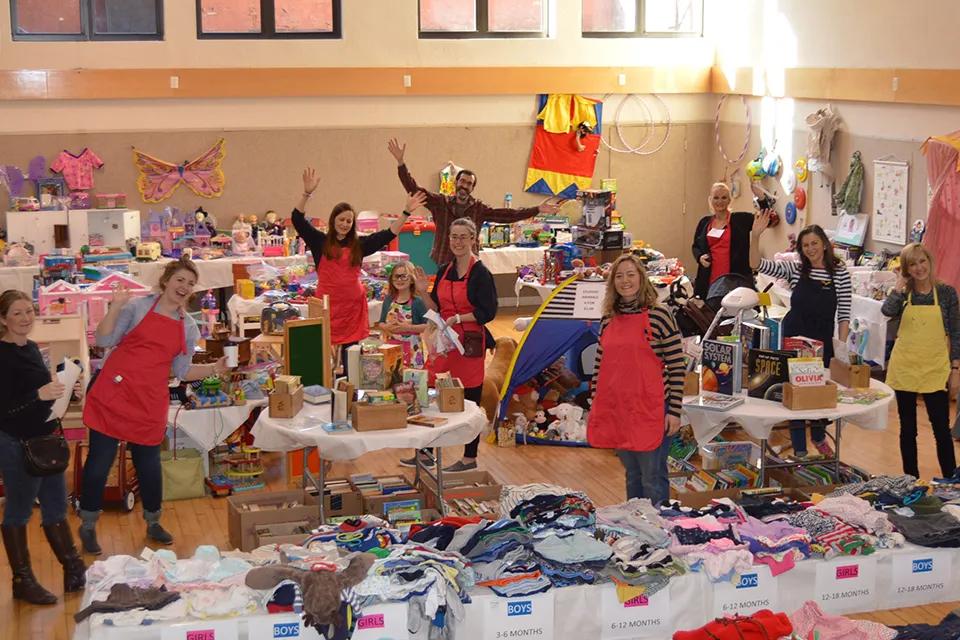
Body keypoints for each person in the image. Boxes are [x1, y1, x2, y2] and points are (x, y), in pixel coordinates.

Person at [79, 257, 233, 554]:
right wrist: (115, 308)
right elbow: (103, 339)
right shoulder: (137, 308)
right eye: (180, 280)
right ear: (166, 281)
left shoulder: (188, 327)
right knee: (99, 464)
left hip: (148, 400)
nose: (184, 287)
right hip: (115, 392)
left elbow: (182, 371)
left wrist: (216, 368)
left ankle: (153, 522)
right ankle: (87, 524)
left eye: (190, 284)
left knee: (149, 467)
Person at [292, 168, 426, 375]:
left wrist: (406, 213)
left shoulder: (359, 245)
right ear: (333, 219)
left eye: (349, 221)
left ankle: (349, 389)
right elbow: (297, 220)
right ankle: (324, 389)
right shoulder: (319, 241)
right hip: (326, 306)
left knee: (351, 355)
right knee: (323, 354)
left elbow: (388, 233)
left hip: (351, 307)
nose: (345, 224)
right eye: (342, 219)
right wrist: (306, 193)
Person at [0, 290, 86, 604]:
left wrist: (68, 392)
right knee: (18, 512)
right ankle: (23, 580)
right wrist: (39, 395)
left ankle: (74, 569)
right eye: (17, 313)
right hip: (15, 444)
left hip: (46, 439)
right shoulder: (3, 355)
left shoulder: (33, 348)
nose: (25, 319)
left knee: (56, 509)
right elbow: (5, 410)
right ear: (3, 319)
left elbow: (44, 393)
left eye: (29, 312)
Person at [587, 254, 685, 504]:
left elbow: (676, 366)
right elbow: (599, 366)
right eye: (619, 276)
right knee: (632, 475)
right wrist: (596, 404)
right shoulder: (608, 319)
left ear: (641, 278)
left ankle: (659, 531)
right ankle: (637, 528)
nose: (625, 281)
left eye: (631, 274)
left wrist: (674, 411)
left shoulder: (660, 316)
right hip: (620, 409)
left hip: (652, 410)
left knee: (653, 477)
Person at [751, 214, 851, 458]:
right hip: (795, 336)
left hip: (822, 339)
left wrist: (841, 348)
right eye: (805, 245)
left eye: (814, 243)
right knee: (795, 391)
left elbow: (845, 313)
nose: (810, 249)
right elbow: (756, 265)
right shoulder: (795, 269)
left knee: (817, 391)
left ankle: (818, 437)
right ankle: (799, 449)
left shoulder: (839, 273)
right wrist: (755, 236)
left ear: (824, 244)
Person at [387, 138, 561, 265]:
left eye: (469, 184)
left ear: (472, 188)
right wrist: (401, 163)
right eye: (462, 182)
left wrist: (537, 208)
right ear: (456, 183)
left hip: (469, 262)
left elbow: (509, 215)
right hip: (443, 259)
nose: (465, 186)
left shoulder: (479, 209)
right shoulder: (440, 203)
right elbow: (413, 189)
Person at [413, 218, 498, 472]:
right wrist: (422, 292)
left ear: (473, 239)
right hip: (445, 344)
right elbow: (436, 308)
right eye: (453, 237)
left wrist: (459, 318)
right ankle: (426, 452)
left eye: (463, 237)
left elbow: (488, 311)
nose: (458, 242)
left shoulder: (481, 274)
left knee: (470, 399)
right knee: (430, 392)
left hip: (469, 345)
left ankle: (469, 458)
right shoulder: (444, 270)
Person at [882, 243, 960, 478]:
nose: (919, 268)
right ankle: (911, 480)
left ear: (930, 261)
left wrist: (955, 368)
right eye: (912, 264)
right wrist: (898, 286)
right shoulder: (904, 293)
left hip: (935, 367)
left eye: (922, 261)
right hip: (905, 366)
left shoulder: (946, 294)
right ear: (906, 269)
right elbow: (887, 311)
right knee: (908, 429)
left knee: (941, 428)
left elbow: (956, 333)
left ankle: (950, 479)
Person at [691, 182, 755, 299]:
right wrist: (700, 257)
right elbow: (695, 246)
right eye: (716, 198)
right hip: (709, 279)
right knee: (710, 314)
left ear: (729, 200)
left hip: (735, 279)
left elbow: (768, 218)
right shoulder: (704, 222)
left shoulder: (741, 219)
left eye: (724, 197)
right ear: (710, 200)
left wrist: (760, 197)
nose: (719, 201)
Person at [377, 261, 428, 369]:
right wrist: (386, 327)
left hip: (412, 350)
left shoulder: (417, 302)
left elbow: (428, 326)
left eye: (403, 276)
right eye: (396, 276)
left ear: (411, 280)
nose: (399, 280)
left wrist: (409, 327)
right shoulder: (388, 300)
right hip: (390, 348)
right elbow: (381, 322)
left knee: (411, 380)